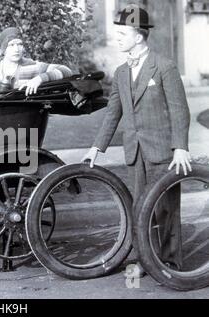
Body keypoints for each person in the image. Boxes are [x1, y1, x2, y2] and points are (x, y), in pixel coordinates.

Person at [82, 5, 192, 273]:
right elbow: (112, 114)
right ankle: (146, 260)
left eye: (122, 33)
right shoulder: (121, 72)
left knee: (165, 209)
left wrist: (180, 147)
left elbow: (179, 110)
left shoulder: (164, 66)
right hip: (135, 151)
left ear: (139, 36)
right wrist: (96, 148)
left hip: (162, 150)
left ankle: (171, 263)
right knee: (140, 208)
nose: (117, 38)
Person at [0, 27, 73, 96]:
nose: (16, 49)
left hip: (27, 115)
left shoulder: (32, 66)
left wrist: (39, 79)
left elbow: (66, 71)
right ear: (4, 49)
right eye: (11, 45)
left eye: (20, 44)